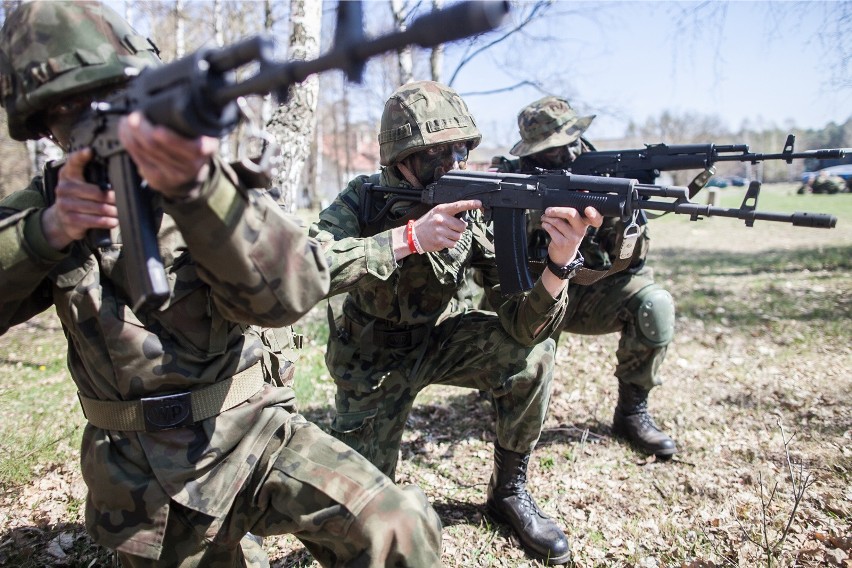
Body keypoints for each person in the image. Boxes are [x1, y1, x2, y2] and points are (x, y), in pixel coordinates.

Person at [0, 3, 442, 566]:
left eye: (113, 95)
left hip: (252, 433)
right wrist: (48, 231)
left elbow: (290, 292)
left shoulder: (208, 182)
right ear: (42, 125)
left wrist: (199, 190)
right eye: (70, 108)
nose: (97, 118)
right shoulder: (44, 208)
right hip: (141, 481)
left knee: (399, 526)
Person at [308, 80, 602, 566]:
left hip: (434, 342)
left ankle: (508, 491)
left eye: (462, 149)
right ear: (399, 159)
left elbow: (521, 323)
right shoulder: (363, 199)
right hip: (370, 360)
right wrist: (407, 238)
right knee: (361, 522)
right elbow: (308, 266)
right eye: (435, 155)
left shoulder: (475, 205)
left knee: (533, 355)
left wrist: (558, 264)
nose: (454, 165)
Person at [487, 96, 678, 459]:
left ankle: (631, 413)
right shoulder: (511, 174)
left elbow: (634, 262)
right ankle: (502, 394)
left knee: (654, 304)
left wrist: (615, 217)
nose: (559, 155)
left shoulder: (607, 175)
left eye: (564, 145)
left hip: (589, 294)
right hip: (533, 295)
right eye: (548, 149)